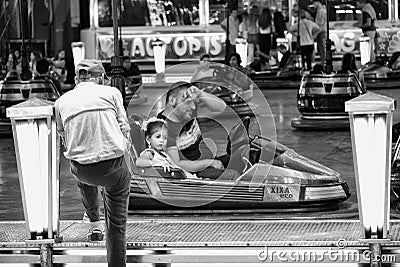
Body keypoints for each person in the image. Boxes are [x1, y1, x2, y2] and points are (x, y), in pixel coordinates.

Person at [54, 59, 131, 267]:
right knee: (116, 225)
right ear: (99, 78)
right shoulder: (112, 93)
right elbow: (124, 128)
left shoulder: (61, 101)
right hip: (112, 169)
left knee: (83, 161)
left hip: (81, 170)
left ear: (78, 79)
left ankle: (94, 221)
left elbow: (64, 135)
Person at [157, 82, 241, 180]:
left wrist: (200, 93)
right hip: (195, 173)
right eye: (187, 101)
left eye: (193, 102)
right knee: (234, 175)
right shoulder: (163, 128)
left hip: (210, 162)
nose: (193, 107)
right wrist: (210, 163)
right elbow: (178, 164)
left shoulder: (187, 113)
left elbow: (221, 107)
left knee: (242, 157)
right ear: (172, 100)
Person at [313, 0, 327, 64]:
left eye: (314, 3)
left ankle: (324, 63)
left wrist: (315, 34)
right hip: (321, 32)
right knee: (321, 49)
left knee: (322, 50)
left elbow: (320, 25)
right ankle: (323, 63)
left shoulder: (321, 11)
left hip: (321, 32)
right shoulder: (322, 11)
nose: (313, 5)